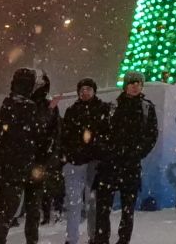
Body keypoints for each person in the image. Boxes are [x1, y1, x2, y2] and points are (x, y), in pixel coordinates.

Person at [0, 68, 48, 244]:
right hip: (23, 166)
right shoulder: (28, 108)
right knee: (16, 213)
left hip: (14, 167)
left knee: (4, 213)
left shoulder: (10, 105)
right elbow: (38, 135)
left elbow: (2, 140)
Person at [98, 74, 157, 244]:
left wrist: (138, 152)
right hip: (110, 164)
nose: (135, 86)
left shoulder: (147, 108)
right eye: (131, 83)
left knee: (128, 208)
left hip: (131, 164)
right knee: (103, 207)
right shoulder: (113, 106)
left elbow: (151, 135)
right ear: (125, 86)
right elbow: (101, 132)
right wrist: (108, 151)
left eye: (138, 83)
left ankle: (123, 240)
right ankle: (102, 238)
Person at [57, 80, 110, 244]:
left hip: (94, 164)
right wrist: (68, 155)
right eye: (82, 89)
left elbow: (106, 135)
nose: (85, 92)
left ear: (94, 91)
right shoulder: (72, 111)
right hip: (74, 163)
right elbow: (65, 136)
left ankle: (94, 236)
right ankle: (71, 238)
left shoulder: (102, 109)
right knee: (73, 204)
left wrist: (97, 149)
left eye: (88, 89)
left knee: (92, 204)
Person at [32, 76, 60, 229]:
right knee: (39, 186)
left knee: (45, 186)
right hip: (38, 152)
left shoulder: (49, 106)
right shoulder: (35, 105)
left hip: (44, 152)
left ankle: (47, 213)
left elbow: (54, 129)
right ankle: (40, 213)